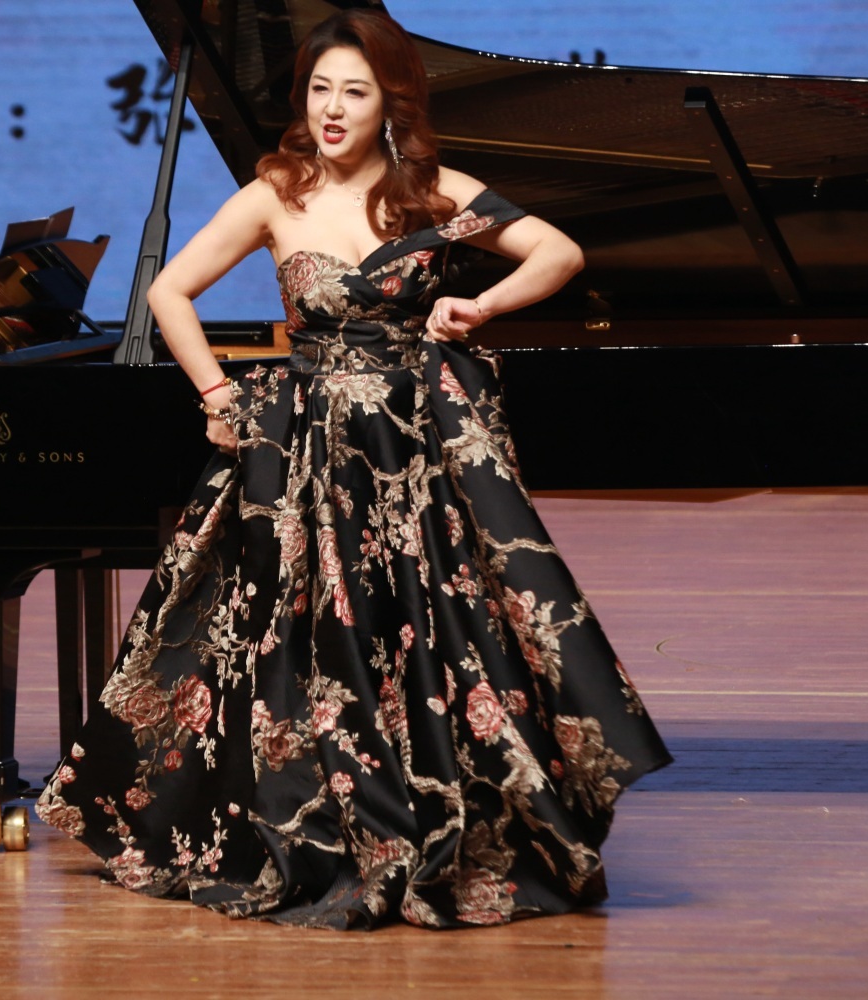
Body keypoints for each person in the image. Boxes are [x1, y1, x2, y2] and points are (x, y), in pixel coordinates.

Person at [36, 9, 672, 928]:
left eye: (355, 92)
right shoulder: (276, 192)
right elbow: (169, 291)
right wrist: (215, 393)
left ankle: (437, 824)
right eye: (319, 90)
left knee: (429, 638)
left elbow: (559, 252)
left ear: (390, 104)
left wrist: (480, 306)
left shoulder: (436, 193)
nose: (332, 109)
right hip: (304, 461)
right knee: (305, 648)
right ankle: (319, 830)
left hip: (411, 464)